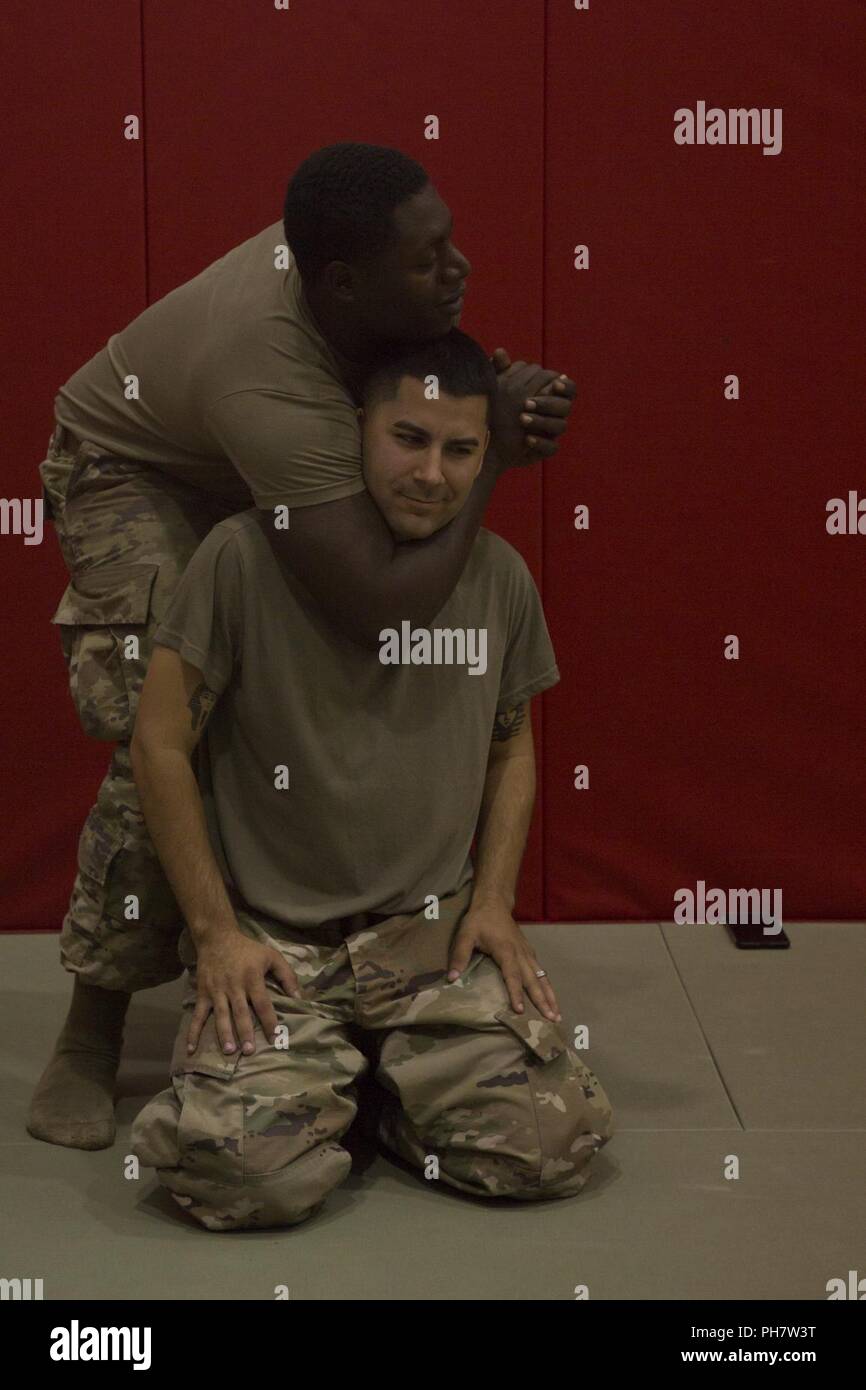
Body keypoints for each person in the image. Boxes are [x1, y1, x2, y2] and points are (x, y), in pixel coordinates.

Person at [28, 141, 577, 1151]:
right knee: (161, 726)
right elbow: (378, 603)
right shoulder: (264, 370)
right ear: (343, 282)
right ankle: (92, 1028)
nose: (458, 269)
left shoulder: (352, 268)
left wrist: (493, 401)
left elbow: (422, 396)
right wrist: (493, 454)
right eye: (427, 261)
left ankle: (339, 1004)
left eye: (448, 243)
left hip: (269, 456)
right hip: (145, 475)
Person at [129, 330, 613, 1231]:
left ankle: (378, 1098)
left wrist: (494, 900)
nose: (431, 473)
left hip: (429, 942)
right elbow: (159, 744)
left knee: (551, 1147)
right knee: (242, 1178)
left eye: (461, 450)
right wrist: (216, 933)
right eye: (408, 438)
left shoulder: (499, 577)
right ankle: (325, 1081)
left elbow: (511, 747)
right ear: (357, 428)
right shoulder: (242, 557)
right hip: (279, 946)